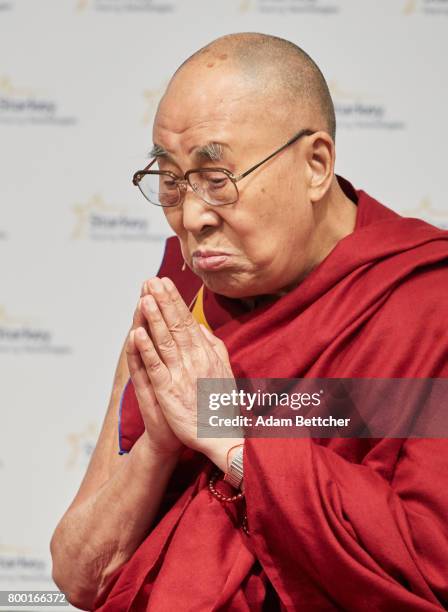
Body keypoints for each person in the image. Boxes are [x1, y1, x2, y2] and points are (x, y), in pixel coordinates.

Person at [50, 32, 448, 611]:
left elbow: (427, 566)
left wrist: (231, 439)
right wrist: (161, 444)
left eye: (217, 180)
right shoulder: (183, 301)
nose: (190, 217)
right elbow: (78, 575)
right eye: (170, 181)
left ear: (316, 165)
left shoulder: (426, 304)